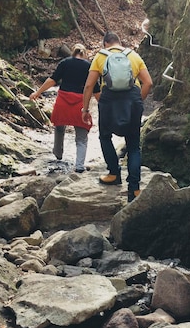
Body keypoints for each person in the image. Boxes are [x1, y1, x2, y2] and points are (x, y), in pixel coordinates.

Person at [81, 32, 153, 202]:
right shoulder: (133, 55)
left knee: (105, 136)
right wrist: (138, 102)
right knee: (134, 146)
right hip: (133, 100)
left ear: (105, 43)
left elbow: (89, 85)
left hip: (109, 101)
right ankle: (134, 189)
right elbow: (148, 83)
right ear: (119, 43)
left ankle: (114, 173)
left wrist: (85, 109)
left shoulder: (100, 56)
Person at [30, 43, 100, 173]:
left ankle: (58, 153)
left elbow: (52, 80)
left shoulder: (65, 63)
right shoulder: (89, 67)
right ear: (84, 54)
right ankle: (79, 166)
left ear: (73, 52)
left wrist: (37, 92)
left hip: (63, 101)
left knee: (59, 127)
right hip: (80, 103)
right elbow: (95, 91)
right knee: (81, 137)